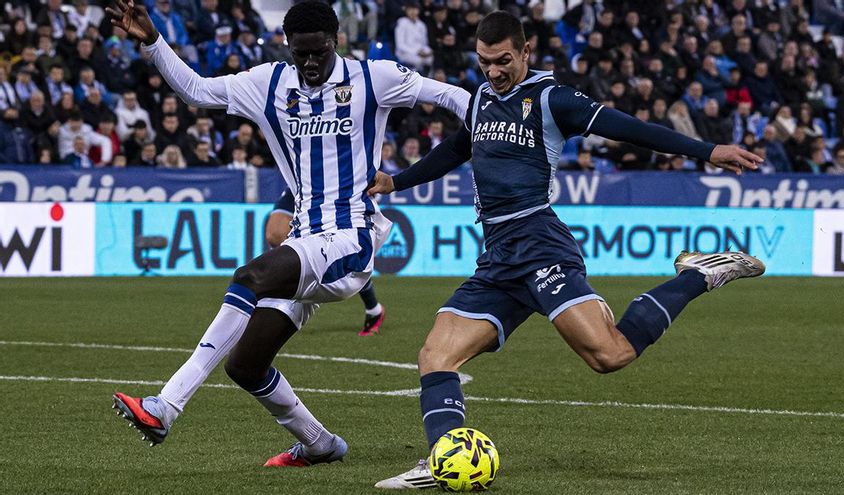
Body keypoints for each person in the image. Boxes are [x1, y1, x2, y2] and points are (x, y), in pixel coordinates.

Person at [369, 11, 766, 489]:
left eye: (503, 61)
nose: (492, 72)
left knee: (609, 355)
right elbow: (455, 150)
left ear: (526, 51)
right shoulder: (479, 100)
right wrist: (397, 180)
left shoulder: (551, 98)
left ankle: (699, 274)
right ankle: (443, 458)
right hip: (497, 258)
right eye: (483, 62)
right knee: (434, 355)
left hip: (540, 246)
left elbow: (626, 127)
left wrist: (706, 151)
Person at [105, 0, 469, 467]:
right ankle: (319, 444)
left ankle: (165, 406)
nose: (311, 62)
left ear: (335, 41)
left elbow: (452, 96)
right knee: (246, 364)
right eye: (301, 53)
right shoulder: (268, 83)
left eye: (319, 52)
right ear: (288, 47)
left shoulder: (374, 77)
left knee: (250, 276)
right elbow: (196, 91)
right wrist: (154, 43)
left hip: (350, 236)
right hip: (304, 239)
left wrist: (488, 127)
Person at [266, 187, 386, 336]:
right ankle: (284, 300)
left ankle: (373, 308)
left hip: (332, 181)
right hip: (300, 178)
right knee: (275, 233)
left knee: (331, 243)